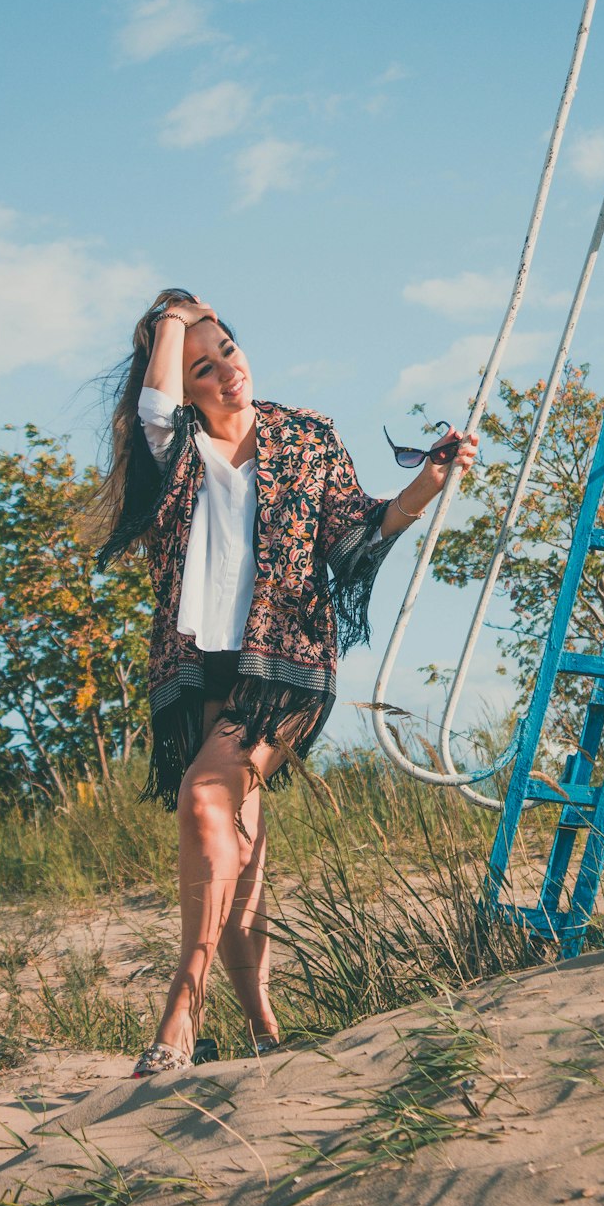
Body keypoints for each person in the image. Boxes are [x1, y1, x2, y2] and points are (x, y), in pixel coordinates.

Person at [95, 288, 478, 1076]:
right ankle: (266, 1031)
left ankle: (183, 1008)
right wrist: (172, 315)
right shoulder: (173, 449)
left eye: (228, 350)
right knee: (234, 845)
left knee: (206, 801)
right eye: (202, 367)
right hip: (199, 666)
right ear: (185, 383)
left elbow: (350, 538)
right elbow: (153, 407)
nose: (226, 372)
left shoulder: (306, 436)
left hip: (288, 665)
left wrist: (427, 486)